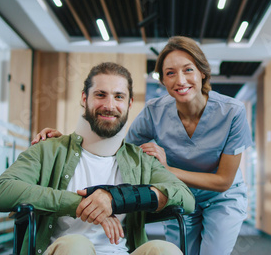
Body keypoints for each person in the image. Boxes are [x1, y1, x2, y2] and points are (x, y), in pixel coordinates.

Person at [33, 36, 254, 255]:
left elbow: (223, 181)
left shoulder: (232, 112)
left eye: (188, 70)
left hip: (221, 197)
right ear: (163, 81)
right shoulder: (154, 111)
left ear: (202, 72)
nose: (180, 80)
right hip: (178, 195)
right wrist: (71, 141)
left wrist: (168, 171)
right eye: (170, 73)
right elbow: (118, 150)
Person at [0, 62, 195, 255]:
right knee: (77, 245)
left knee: (165, 250)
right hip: (67, 250)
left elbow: (186, 198)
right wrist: (81, 204)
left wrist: (115, 199)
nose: (109, 105)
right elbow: (0, 193)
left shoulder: (141, 160)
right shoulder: (49, 149)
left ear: (129, 103)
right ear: (84, 98)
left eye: (119, 97)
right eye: (100, 94)